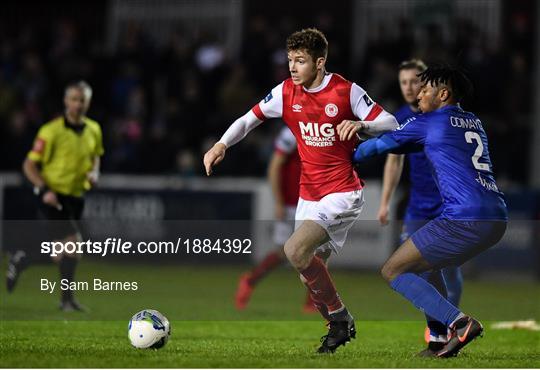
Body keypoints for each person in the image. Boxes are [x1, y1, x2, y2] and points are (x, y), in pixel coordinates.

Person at [204, 28, 398, 353]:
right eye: (290, 60)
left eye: (301, 61)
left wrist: (363, 125)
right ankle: (337, 329)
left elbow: (391, 123)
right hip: (309, 195)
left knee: (294, 250)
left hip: (342, 191)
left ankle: (340, 318)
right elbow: (248, 119)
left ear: (320, 62)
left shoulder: (345, 91)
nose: (293, 67)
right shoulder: (284, 92)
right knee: (306, 270)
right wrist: (221, 144)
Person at [353, 65, 507, 358]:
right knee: (426, 265)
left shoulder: (429, 121)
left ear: (444, 94)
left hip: (464, 216)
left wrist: (342, 152)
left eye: (426, 89)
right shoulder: (473, 121)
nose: (419, 94)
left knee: (393, 270)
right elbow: (414, 146)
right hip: (495, 215)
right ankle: (438, 340)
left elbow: (373, 150)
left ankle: (460, 323)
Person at [377, 59, 463, 344]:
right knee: (419, 268)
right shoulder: (400, 117)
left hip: (446, 205)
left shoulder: (444, 116)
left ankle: (451, 323)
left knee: (448, 271)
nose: (410, 87)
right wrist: (385, 201)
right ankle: (442, 329)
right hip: (417, 205)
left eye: (415, 81)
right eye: (403, 82)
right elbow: (394, 161)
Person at [6, 81, 104, 312]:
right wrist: (43, 189)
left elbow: (96, 156)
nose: (78, 104)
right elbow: (29, 165)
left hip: (76, 196)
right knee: (74, 245)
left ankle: (22, 260)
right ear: (65, 101)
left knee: (62, 253)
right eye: (74, 99)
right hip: (54, 196)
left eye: (83, 100)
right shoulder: (51, 131)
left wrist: (94, 172)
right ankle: (66, 301)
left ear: (88, 103)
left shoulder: (94, 129)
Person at [235, 126, 317, 313]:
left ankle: (313, 301)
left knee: (315, 251)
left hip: (314, 201)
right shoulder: (291, 132)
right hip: (291, 202)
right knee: (283, 253)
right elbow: (274, 166)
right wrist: (279, 201)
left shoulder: (325, 129)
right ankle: (250, 280)